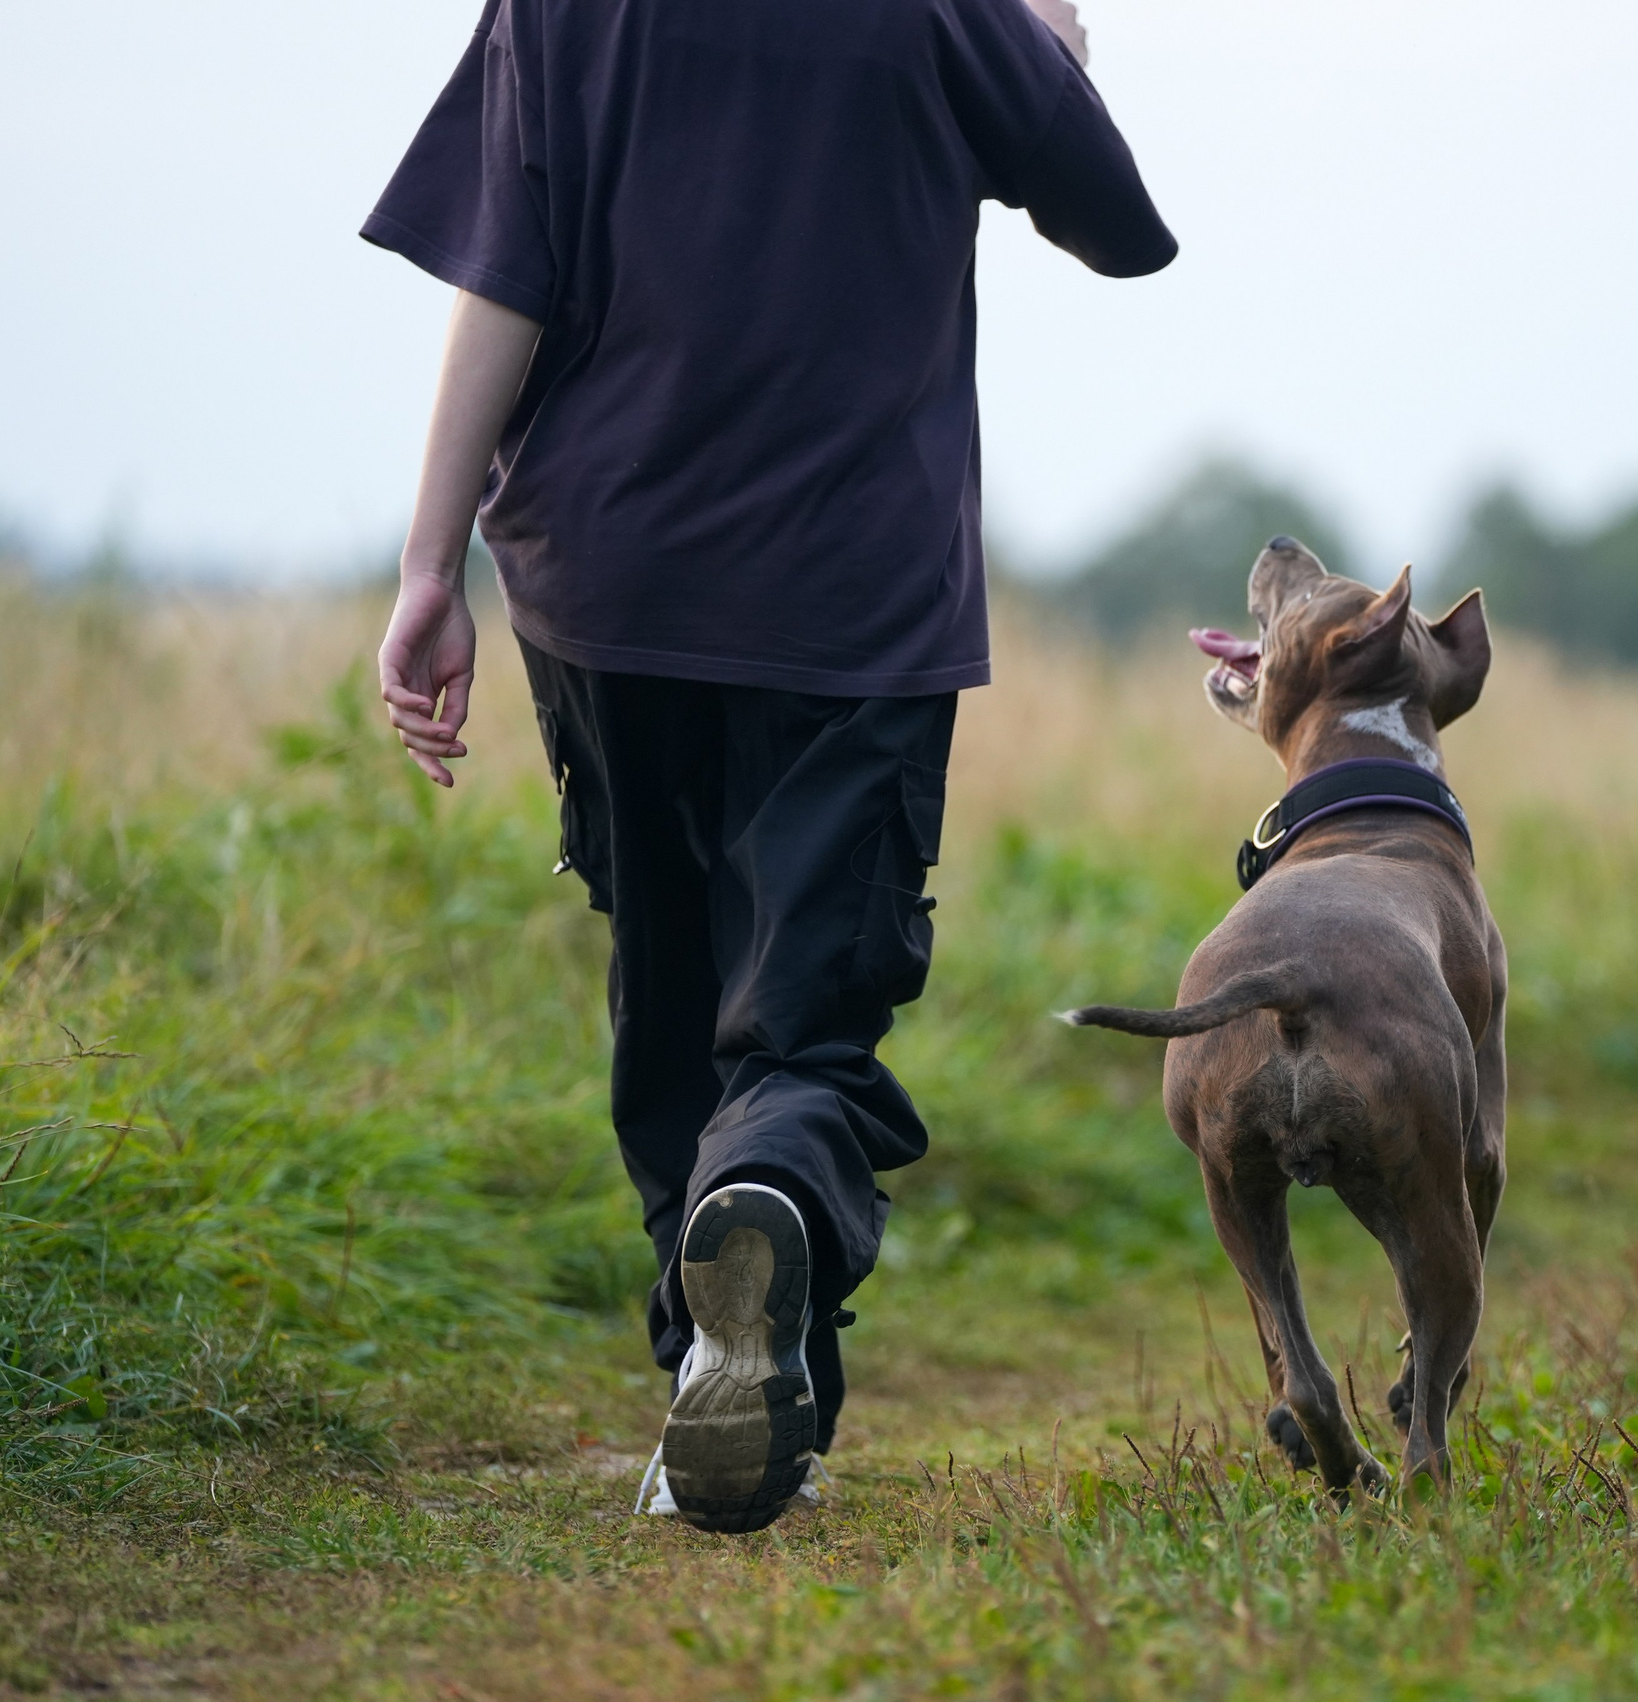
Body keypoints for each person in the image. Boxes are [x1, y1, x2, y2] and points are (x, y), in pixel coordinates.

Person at [363, 0, 1174, 1533]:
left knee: (668, 986)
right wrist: (1048, 40)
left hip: (604, 576)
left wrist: (425, 564)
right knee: (800, 1020)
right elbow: (1118, 224)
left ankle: (705, 1390)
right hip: (849, 603)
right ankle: (770, 1232)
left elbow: (501, 278)